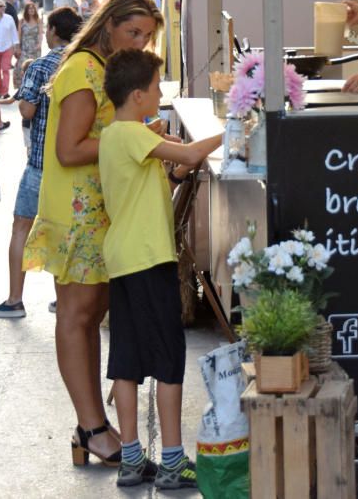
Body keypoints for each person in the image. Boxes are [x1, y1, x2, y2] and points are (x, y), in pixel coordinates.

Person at [22, 0, 164, 466]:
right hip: (78, 212)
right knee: (78, 317)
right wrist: (133, 138)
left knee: (86, 317)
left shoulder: (99, 67)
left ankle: (93, 424)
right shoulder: (84, 69)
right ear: (108, 25)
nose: (141, 44)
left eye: (147, 36)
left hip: (95, 209)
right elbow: (68, 148)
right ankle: (90, 426)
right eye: (133, 32)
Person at [100, 48, 221, 488]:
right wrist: (232, 131)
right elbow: (189, 154)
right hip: (148, 258)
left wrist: (173, 176)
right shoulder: (133, 134)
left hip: (124, 258)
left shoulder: (114, 136)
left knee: (128, 360)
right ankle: (172, 459)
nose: (159, 92)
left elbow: (155, 183)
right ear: (137, 95)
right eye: (155, 86)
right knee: (170, 359)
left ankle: (132, 458)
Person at [0, 7, 83, 319]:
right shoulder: (86, 63)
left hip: (42, 163)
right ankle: (64, 298)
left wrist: (26, 99)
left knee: (21, 226)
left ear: (53, 31)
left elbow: (26, 111)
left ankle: (15, 299)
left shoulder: (42, 65)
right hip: (77, 166)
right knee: (67, 231)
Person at [0, 1, 20, 98]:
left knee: (5, 69)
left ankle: (5, 92)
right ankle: (0, 90)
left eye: (4, 6)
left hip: (7, 47)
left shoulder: (9, 18)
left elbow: (14, 32)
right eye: (0, 6)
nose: (3, 8)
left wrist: (16, 46)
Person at [17, 2, 43, 88]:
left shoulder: (38, 20)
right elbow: (19, 35)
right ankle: (23, 87)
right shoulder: (22, 21)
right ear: (26, 10)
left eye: (33, 8)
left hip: (35, 48)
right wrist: (18, 47)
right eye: (29, 8)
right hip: (25, 47)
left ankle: (34, 87)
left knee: (35, 67)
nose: (31, 10)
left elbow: (40, 34)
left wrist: (39, 44)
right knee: (22, 67)